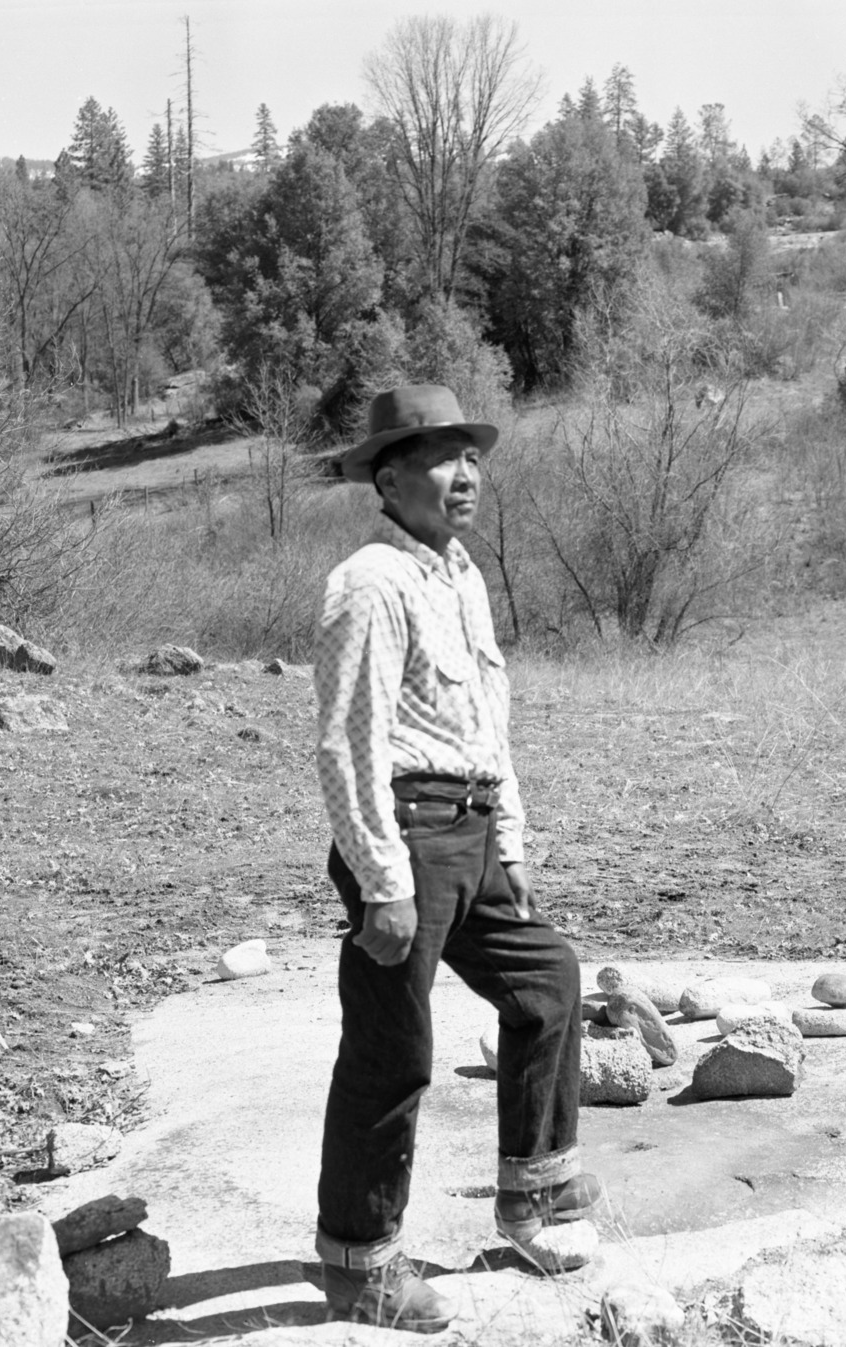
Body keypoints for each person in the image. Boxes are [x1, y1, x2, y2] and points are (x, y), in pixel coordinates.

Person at [311, 385, 599, 1332]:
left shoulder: (461, 576)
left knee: (548, 980)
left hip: (472, 831)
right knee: (393, 1054)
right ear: (390, 480)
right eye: (442, 457)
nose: (465, 473)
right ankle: (361, 1266)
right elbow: (349, 742)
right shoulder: (370, 582)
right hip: (405, 836)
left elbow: (489, 721)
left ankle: (534, 1195)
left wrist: (508, 839)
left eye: (472, 456)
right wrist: (383, 880)